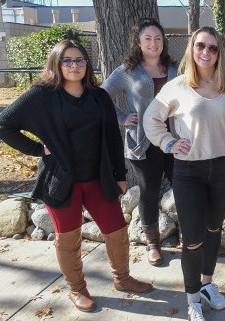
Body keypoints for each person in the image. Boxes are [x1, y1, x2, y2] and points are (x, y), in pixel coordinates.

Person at [0, 40, 152, 312]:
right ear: (56, 64)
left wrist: (120, 174)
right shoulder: (41, 96)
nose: (74, 65)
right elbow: (4, 124)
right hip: (62, 182)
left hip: (98, 178)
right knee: (69, 238)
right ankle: (77, 289)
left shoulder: (98, 96)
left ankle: (123, 278)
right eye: (67, 60)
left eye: (79, 60)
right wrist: (38, 149)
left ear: (87, 63)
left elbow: (113, 140)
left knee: (116, 230)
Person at [143, 26, 225, 321]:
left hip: (223, 169)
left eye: (213, 48)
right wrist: (168, 142)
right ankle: (192, 298)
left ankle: (206, 284)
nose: (206, 52)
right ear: (192, 49)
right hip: (188, 171)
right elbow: (151, 120)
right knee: (192, 239)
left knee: (214, 230)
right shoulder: (176, 87)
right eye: (201, 46)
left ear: (220, 54)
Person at [102, 18, 178, 266]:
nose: (154, 43)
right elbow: (101, 97)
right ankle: (153, 243)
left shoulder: (175, 69)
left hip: (176, 141)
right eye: (148, 39)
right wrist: (124, 117)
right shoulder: (127, 71)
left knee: (185, 188)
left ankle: (190, 237)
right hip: (143, 143)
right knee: (150, 192)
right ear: (138, 42)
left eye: (158, 38)